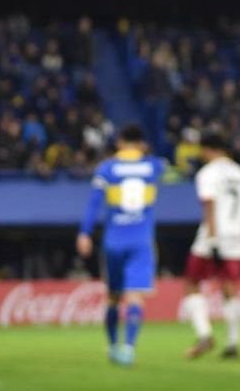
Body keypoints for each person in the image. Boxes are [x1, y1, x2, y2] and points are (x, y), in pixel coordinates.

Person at [77, 124, 165, 367]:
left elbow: (94, 204)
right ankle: (129, 348)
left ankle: (113, 346)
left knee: (113, 297)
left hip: (114, 240)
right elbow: (172, 170)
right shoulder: (153, 165)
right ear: (141, 143)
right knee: (135, 296)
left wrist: (85, 233)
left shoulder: (107, 168)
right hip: (140, 240)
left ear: (119, 141)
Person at [181, 132, 240, 360]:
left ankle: (204, 335)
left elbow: (209, 206)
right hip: (237, 235)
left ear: (207, 149)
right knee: (230, 288)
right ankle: (233, 343)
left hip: (214, 235)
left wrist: (212, 241)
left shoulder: (207, 173)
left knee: (192, 283)